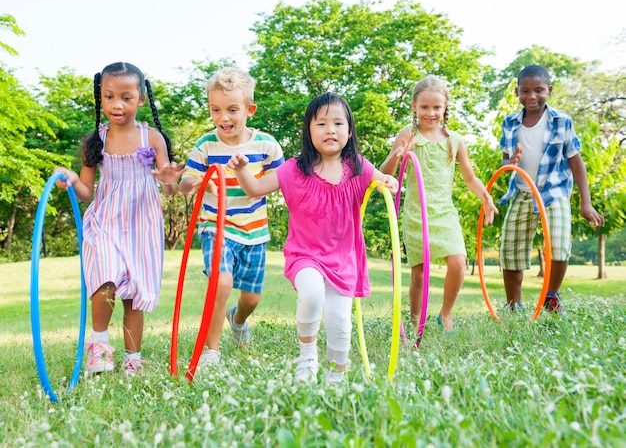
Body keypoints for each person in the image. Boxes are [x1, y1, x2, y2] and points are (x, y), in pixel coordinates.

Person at [228, 92, 398, 385]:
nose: (330, 129)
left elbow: (382, 179)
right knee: (313, 294)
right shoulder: (295, 169)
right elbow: (255, 188)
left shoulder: (359, 167)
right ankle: (307, 358)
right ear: (308, 130)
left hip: (344, 259)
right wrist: (243, 170)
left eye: (338, 123)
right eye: (321, 123)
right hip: (305, 255)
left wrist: (388, 180)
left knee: (340, 319)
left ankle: (336, 375)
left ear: (349, 130)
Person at [55, 62, 184, 375]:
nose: (117, 104)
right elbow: (86, 191)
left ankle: (132, 359)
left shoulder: (152, 138)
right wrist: (72, 179)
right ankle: (99, 349)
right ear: (101, 98)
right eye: (109, 96)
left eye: (126, 97)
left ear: (140, 99)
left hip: (142, 224)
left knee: (134, 295)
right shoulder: (96, 141)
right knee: (105, 279)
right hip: (106, 221)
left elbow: (169, 190)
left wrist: (168, 178)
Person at [179, 67, 284, 368]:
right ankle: (211, 352)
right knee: (221, 284)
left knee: (250, 299)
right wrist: (196, 182)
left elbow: (280, 181)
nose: (223, 117)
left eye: (232, 110)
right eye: (215, 109)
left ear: (249, 109)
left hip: (254, 231)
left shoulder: (266, 145)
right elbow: (186, 183)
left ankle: (237, 321)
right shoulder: (206, 146)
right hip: (217, 226)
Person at [380, 75, 497, 332]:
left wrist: (485, 198)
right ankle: (414, 322)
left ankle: (445, 314)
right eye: (424, 107)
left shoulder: (454, 140)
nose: (430, 113)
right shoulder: (408, 134)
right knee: (419, 275)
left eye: (436, 107)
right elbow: (386, 173)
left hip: (444, 212)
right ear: (414, 107)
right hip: (416, 213)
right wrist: (398, 154)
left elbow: (470, 177)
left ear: (445, 107)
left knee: (457, 263)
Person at [499, 65, 604, 313]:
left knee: (558, 245)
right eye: (525, 90)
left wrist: (585, 202)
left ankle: (551, 296)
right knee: (510, 250)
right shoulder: (509, 123)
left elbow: (576, 161)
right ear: (517, 92)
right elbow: (505, 161)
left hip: (553, 193)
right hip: (522, 193)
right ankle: (514, 305)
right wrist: (510, 163)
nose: (532, 96)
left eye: (539, 90)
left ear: (549, 90)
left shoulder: (562, 122)